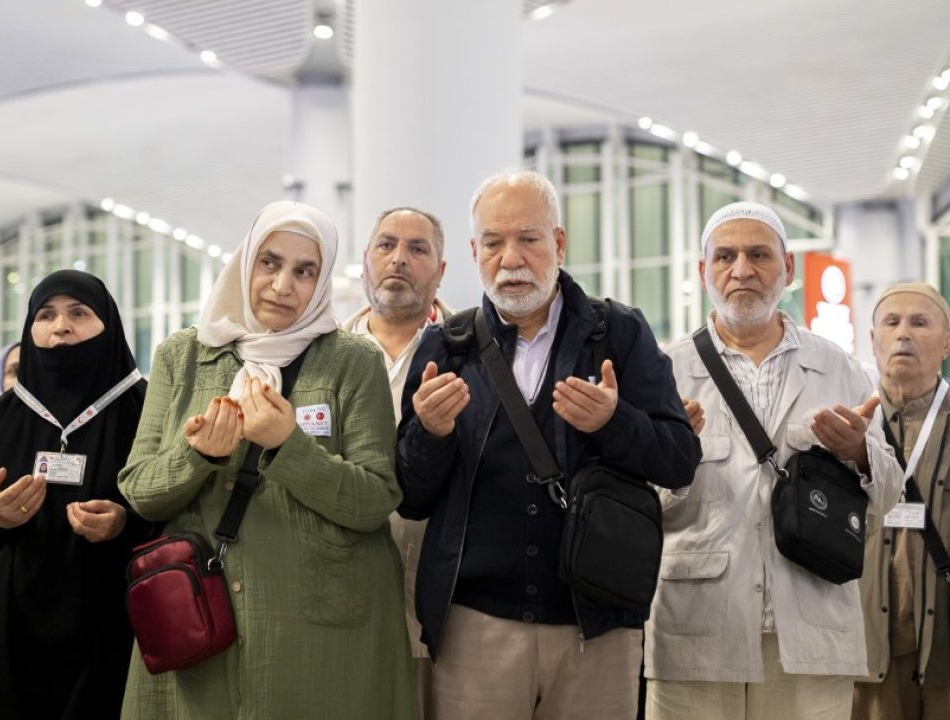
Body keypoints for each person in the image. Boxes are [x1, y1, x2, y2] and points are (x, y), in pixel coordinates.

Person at [397, 170, 700, 720]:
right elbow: (411, 495)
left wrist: (614, 421)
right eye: (493, 242)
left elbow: (679, 460)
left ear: (559, 243)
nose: (511, 258)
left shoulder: (618, 334)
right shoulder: (448, 346)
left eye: (529, 238)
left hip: (597, 628)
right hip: (476, 630)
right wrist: (431, 434)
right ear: (474, 252)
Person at [119, 200, 416, 719]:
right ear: (245, 262)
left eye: (306, 271)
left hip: (321, 629)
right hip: (200, 617)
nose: (282, 286)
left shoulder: (352, 360)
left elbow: (375, 498)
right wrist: (197, 454)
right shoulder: (184, 355)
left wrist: (289, 446)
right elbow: (141, 491)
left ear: (322, 283)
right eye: (270, 263)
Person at [646, 201, 903, 720]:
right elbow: (635, 501)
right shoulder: (663, 371)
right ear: (703, 272)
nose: (742, 269)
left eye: (759, 254)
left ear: (787, 269)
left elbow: (892, 493)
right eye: (725, 256)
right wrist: (670, 458)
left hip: (810, 631)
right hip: (695, 633)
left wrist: (858, 453)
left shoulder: (837, 368)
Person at [0, 269, 148, 720]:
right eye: (46, 314)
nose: (61, 325)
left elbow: (181, 517)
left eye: (79, 313)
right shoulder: (2, 418)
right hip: (4, 648)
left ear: (109, 324)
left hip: (114, 640)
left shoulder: (144, 409)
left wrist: (125, 525)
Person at [343, 205, 454, 716]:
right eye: (386, 246)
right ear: (365, 261)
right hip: (343, 601)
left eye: (417, 248)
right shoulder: (325, 355)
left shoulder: (473, 353)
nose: (399, 260)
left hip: (443, 606)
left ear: (441, 269)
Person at [853, 283, 950, 720]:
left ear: (946, 342)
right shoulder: (849, 426)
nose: (903, 334)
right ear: (872, 341)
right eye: (891, 323)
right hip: (869, 651)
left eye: (920, 322)